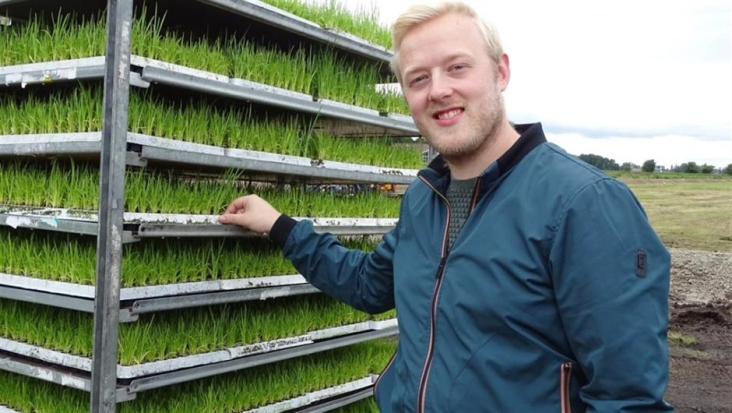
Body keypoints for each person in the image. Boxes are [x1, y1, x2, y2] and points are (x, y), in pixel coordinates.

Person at [219, 2, 674, 412]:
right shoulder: (425, 197)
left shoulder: (584, 203)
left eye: (457, 67)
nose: (437, 90)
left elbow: (628, 399)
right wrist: (279, 226)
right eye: (418, 78)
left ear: (500, 72)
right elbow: (368, 286)